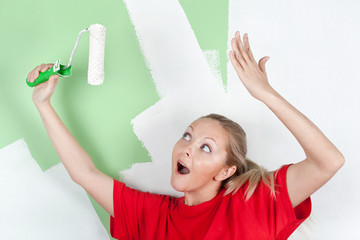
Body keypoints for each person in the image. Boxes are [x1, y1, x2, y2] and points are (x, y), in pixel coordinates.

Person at [27, 31, 344, 240]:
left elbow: (329, 162)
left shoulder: (253, 204)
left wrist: (265, 94)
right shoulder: (153, 216)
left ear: (225, 170)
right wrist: (43, 105)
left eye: (207, 147)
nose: (188, 148)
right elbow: (84, 173)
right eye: (188, 136)